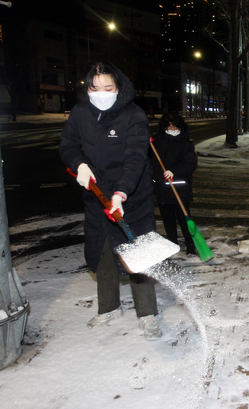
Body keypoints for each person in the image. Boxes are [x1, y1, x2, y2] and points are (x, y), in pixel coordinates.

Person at [59, 61, 162, 340]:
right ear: (88, 88)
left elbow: (136, 157)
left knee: (137, 255)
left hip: (131, 199)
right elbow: (67, 145)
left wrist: (121, 193)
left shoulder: (133, 115)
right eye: (95, 87)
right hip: (96, 197)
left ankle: (147, 313)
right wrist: (78, 164)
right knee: (101, 253)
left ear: (118, 88)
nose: (101, 92)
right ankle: (108, 307)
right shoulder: (81, 113)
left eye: (108, 87)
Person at [150, 113, 198, 256]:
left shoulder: (185, 144)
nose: (172, 128)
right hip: (162, 188)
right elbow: (145, 155)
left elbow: (191, 164)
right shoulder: (157, 141)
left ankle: (190, 244)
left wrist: (174, 172)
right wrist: (144, 142)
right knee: (167, 218)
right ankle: (172, 244)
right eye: (169, 125)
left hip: (180, 188)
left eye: (175, 125)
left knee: (184, 218)